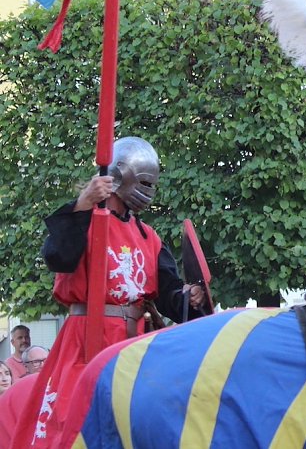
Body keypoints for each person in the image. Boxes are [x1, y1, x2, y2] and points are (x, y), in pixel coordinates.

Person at [10, 136, 206, 447]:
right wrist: (83, 204)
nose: (148, 191)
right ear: (120, 177)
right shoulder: (84, 222)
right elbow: (57, 256)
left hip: (134, 341)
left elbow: (169, 293)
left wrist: (189, 297)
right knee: (70, 421)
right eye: (143, 181)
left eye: (151, 183)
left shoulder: (148, 237)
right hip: (86, 337)